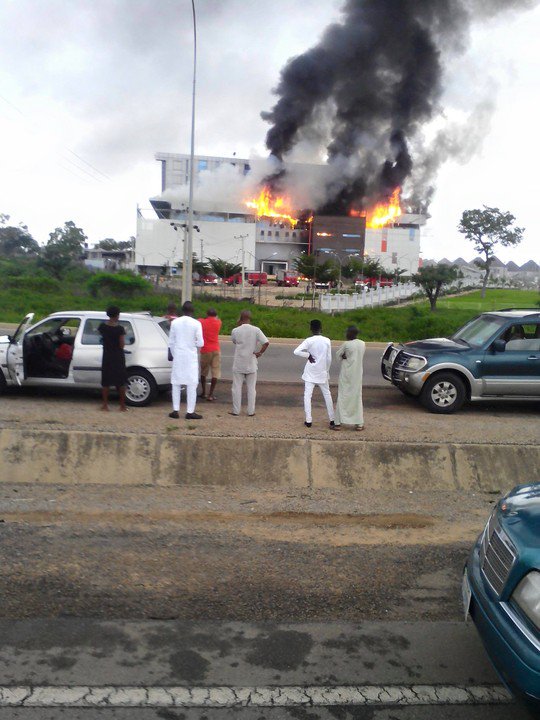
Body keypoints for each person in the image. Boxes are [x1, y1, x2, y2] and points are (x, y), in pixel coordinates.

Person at [293, 319, 335, 428]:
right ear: (321, 328)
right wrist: (327, 370)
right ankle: (332, 419)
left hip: (310, 372)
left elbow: (296, 351)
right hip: (322, 372)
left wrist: (308, 355)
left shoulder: (309, 341)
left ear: (311, 329)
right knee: (327, 394)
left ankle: (308, 420)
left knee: (307, 395)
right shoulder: (327, 340)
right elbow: (329, 358)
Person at [168, 301, 204, 420]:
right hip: (190, 357)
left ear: (182, 310)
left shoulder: (175, 322)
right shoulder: (196, 323)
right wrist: (191, 344)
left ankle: (175, 410)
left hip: (178, 356)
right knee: (192, 384)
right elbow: (200, 343)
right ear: (192, 311)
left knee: (176, 384)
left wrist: (174, 353)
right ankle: (190, 412)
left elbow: (171, 342)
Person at [230, 310, 269, 416]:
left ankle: (236, 411)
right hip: (251, 362)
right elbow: (266, 342)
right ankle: (251, 411)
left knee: (236, 387)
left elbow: (234, 341)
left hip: (239, 363)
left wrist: (238, 325)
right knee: (251, 388)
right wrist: (259, 353)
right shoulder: (256, 330)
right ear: (249, 318)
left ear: (240, 318)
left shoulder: (235, 330)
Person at [333, 325, 365, 431]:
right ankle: (359, 423)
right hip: (358, 374)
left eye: (347, 332)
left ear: (350, 333)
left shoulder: (346, 344)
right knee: (357, 396)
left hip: (346, 374)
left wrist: (343, 357)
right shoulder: (362, 343)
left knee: (343, 396)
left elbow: (338, 355)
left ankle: (337, 423)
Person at [98, 306, 127, 412]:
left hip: (107, 356)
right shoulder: (120, 329)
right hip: (118, 357)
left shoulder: (102, 326)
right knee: (120, 381)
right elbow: (122, 345)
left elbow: (101, 337)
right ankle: (122, 406)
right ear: (117, 315)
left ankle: (105, 405)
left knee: (106, 381)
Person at [198, 308, 222, 401]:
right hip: (216, 349)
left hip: (205, 349)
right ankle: (211, 394)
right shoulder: (219, 322)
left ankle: (204, 392)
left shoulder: (202, 322)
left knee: (204, 371)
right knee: (215, 371)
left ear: (207, 314)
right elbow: (217, 318)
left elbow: (198, 320)